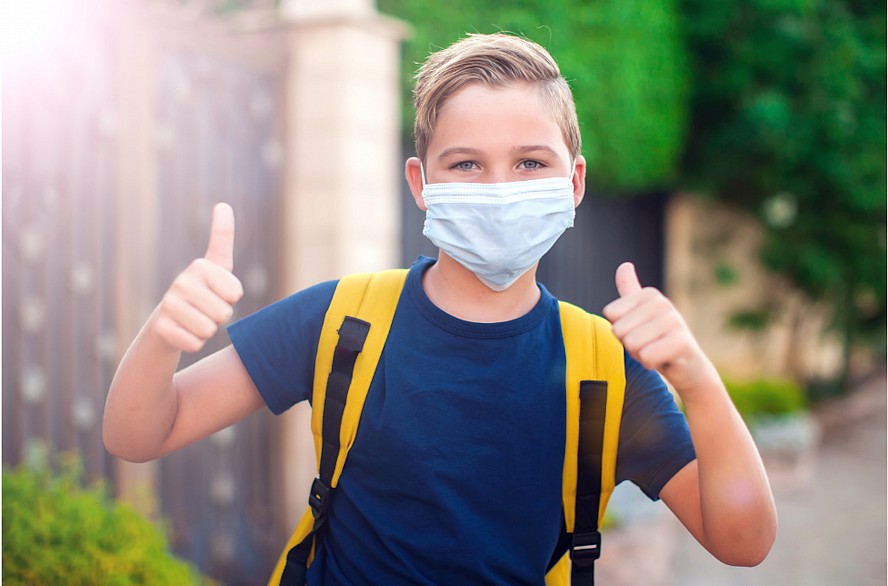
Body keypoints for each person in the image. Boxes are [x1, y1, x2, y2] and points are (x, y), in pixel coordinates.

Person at [104, 33, 776, 584]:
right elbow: (139, 436)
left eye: (530, 162)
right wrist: (163, 337)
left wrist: (695, 376)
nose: (500, 188)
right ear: (421, 185)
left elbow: (742, 542)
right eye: (466, 165)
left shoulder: (605, 368)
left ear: (573, 183)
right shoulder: (342, 320)